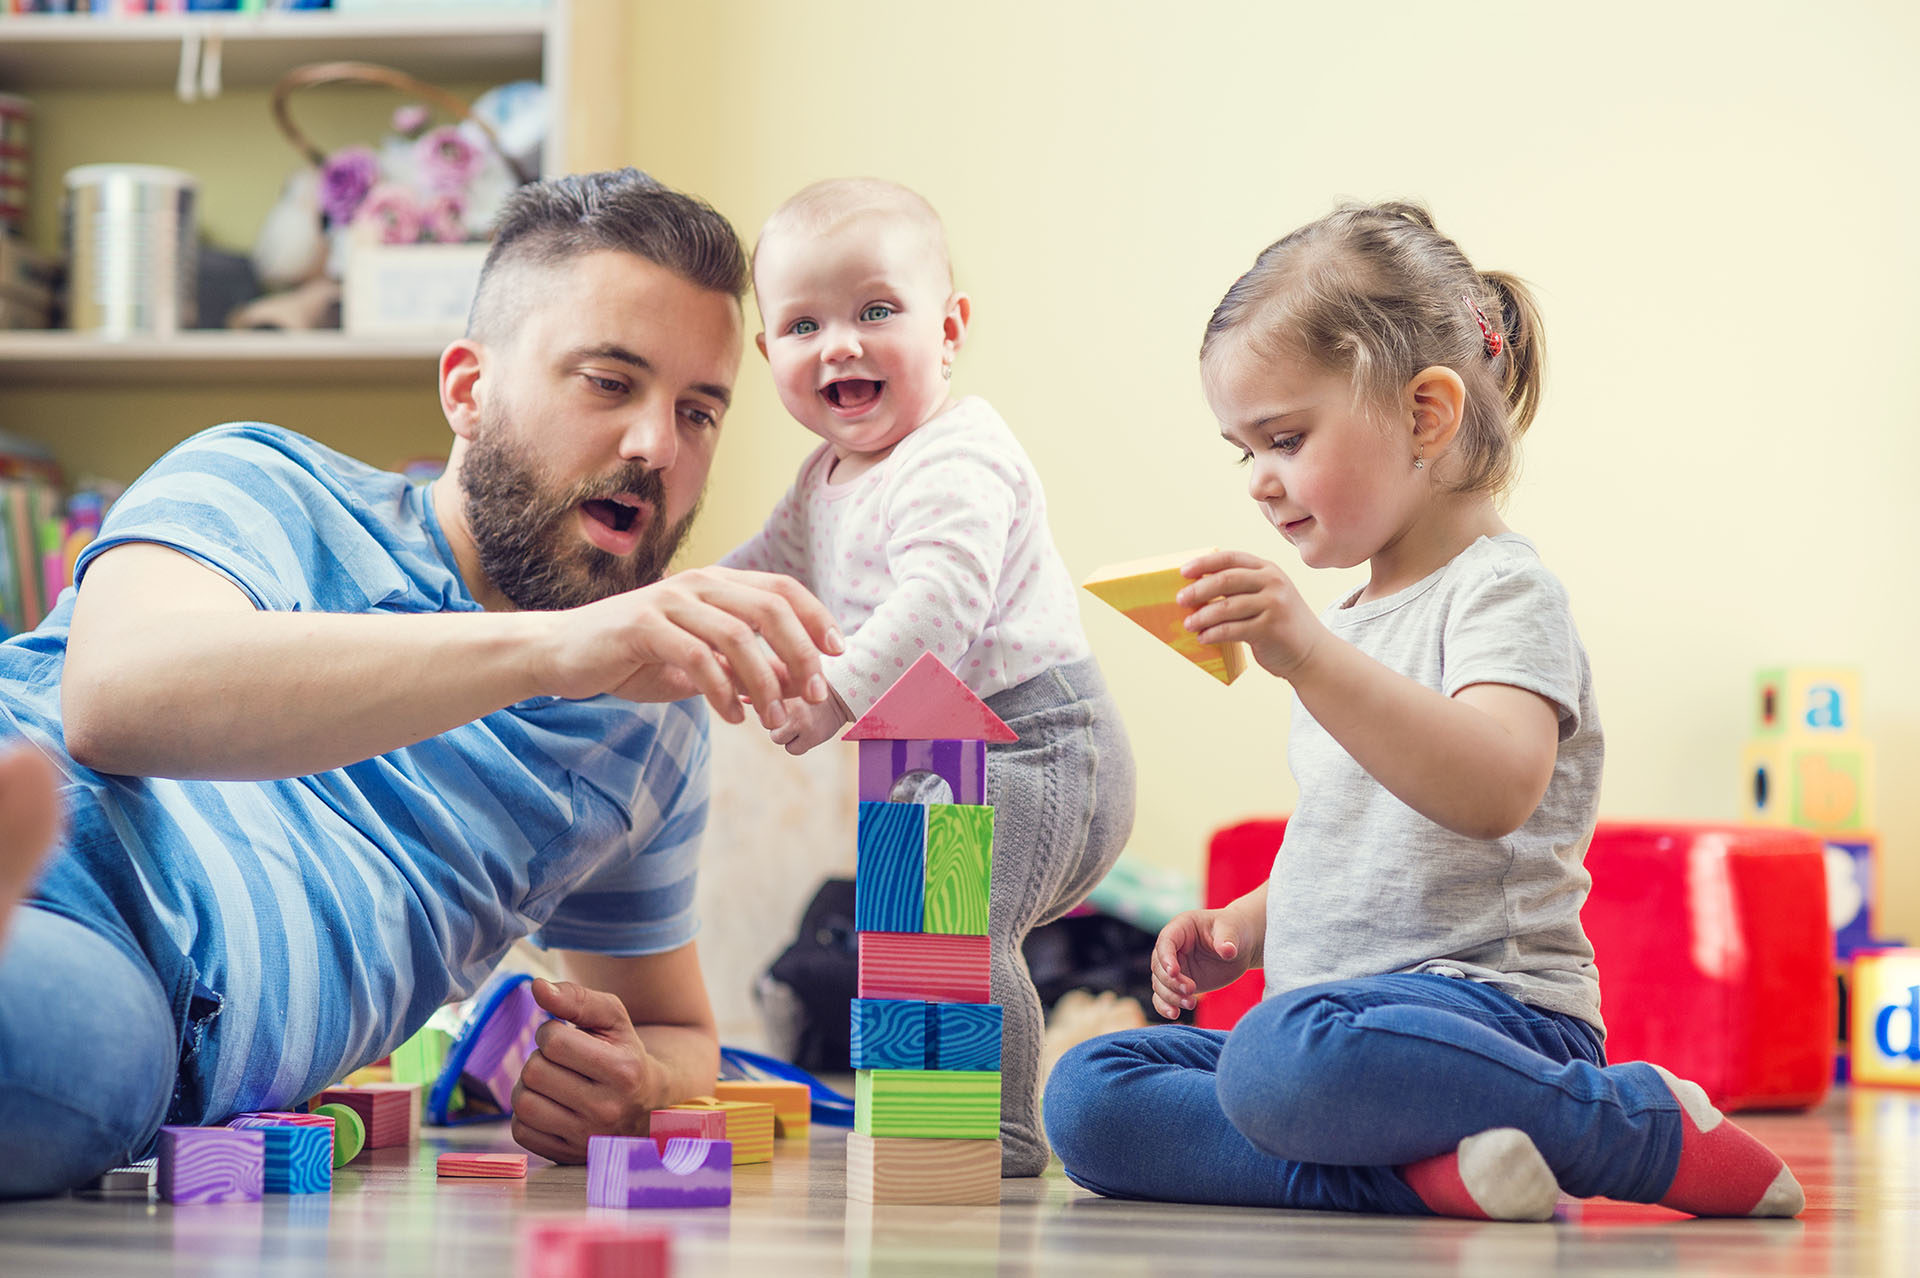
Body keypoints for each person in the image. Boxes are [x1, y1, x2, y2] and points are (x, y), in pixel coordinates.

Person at [0, 169, 845, 1199]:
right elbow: (115, 701)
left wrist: (638, 1084)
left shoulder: (644, 725)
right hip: (47, 811)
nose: (655, 447)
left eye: (700, 412)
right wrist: (548, 648)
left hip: (140, 997)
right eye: (610, 383)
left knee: (58, 1057)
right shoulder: (262, 481)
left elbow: (680, 1032)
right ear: (467, 389)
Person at [1041, 203, 1804, 1220]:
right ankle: (1430, 1180)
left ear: (1424, 415)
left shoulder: (1501, 593)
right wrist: (1245, 928)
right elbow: (1354, 834)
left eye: (1285, 437)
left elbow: (1493, 788)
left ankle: (1626, 1124)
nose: (1262, 483)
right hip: (1337, 1023)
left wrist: (1307, 654)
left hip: (1492, 1022)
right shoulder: (1350, 622)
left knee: (1277, 1064)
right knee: (1090, 1095)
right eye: (1244, 452)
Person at [721, 178, 1136, 1175]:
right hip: (929, 746)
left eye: (876, 311)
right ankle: (918, 1120)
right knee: (901, 934)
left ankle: (997, 1133)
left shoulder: (957, 454)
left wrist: (830, 691)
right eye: (803, 324)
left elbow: (940, 605)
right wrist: (667, 613)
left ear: (948, 329)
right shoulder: (822, 481)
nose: (842, 344)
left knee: (960, 927)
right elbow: (753, 577)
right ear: (768, 353)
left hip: (1041, 741)